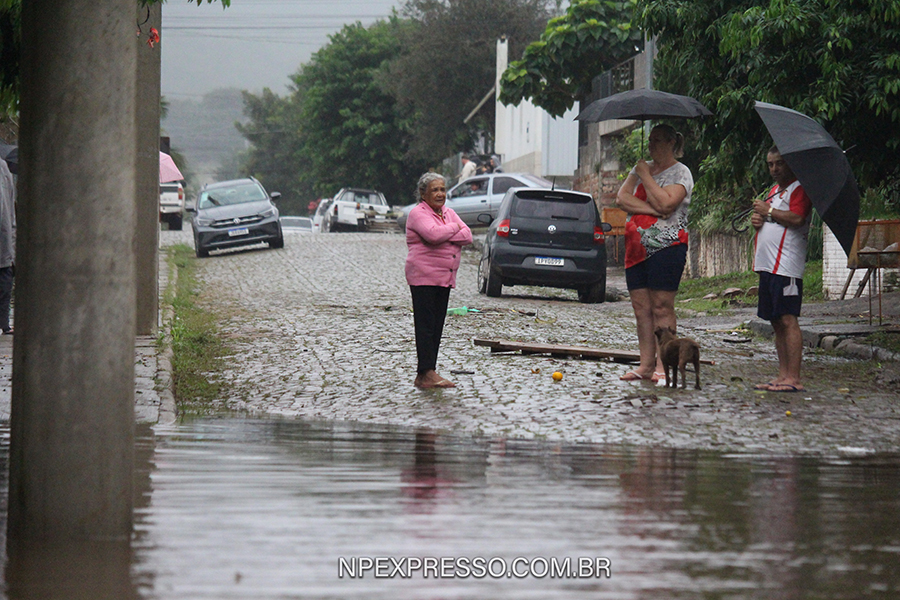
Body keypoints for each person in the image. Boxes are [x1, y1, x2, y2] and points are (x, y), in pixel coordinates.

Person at [615, 124, 693, 383]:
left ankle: (663, 365)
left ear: (671, 142)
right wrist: (651, 210)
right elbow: (622, 199)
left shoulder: (680, 173)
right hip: (635, 249)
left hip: (666, 247)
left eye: (657, 140)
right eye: (650, 140)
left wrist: (645, 176)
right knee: (641, 309)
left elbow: (667, 203)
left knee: (661, 306)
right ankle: (646, 364)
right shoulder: (640, 169)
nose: (651, 145)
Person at [750, 146, 812, 392]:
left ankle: (793, 378)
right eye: (770, 164)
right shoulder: (774, 191)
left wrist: (768, 211)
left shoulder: (799, 188)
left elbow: (797, 218)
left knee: (788, 319)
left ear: (790, 164)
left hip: (786, 266)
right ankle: (782, 375)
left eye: (779, 163)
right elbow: (770, 218)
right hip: (768, 265)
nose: (774, 169)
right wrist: (759, 220)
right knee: (775, 321)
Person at [405, 172, 473, 389]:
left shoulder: (448, 212)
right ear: (423, 193)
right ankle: (425, 372)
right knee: (425, 326)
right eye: (435, 190)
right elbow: (432, 235)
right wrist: (454, 228)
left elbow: (468, 236)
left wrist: (446, 231)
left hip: (444, 278)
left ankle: (428, 372)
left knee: (436, 325)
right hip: (423, 276)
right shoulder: (418, 213)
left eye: (442, 189)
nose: (440, 194)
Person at [0, 156, 14, 335]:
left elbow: (9, 206)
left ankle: (4, 323)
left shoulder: (3, 167)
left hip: (4, 241)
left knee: (4, 282)